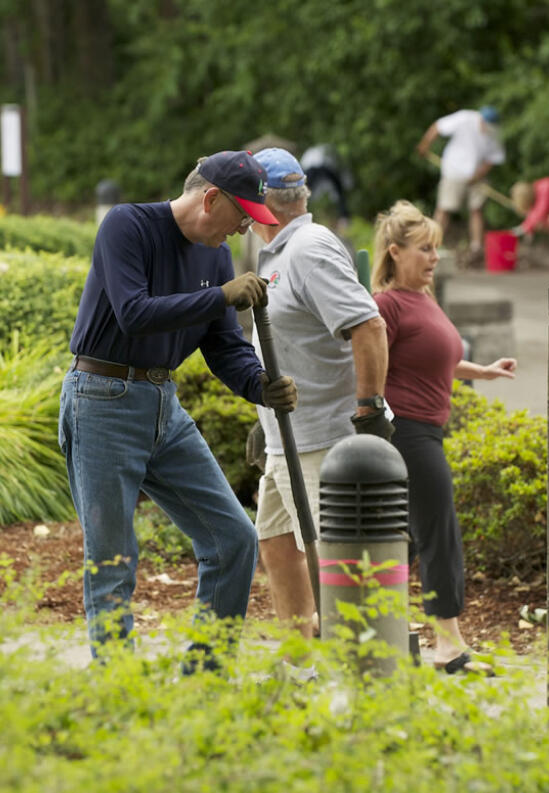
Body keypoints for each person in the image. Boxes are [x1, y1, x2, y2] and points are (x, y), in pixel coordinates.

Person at [60, 150, 298, 658]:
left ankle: (205, 679)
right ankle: (117, 687)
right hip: (101, 399)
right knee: (112, 559)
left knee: (234, 538)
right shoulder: (127, 226)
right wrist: (221, 297)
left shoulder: (214, 254)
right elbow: (134, 312)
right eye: (242, 217)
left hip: (163, 406)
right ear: (211, 198)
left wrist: (259, 384)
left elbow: (223, 344)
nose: (242, 232)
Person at [247, 148, 391, 639]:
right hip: (285, 435)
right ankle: (300, 659)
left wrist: (369, 409)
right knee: (276, 540)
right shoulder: (279, 251)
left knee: (335, 559)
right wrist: (261, 417)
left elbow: (368, 325)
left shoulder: (308, 249)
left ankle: (359, 666)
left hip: (322, 439)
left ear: (260, 203)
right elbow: (292, 344)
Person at [371, 200, 517, 673]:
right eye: (425, 249)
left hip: (427, 430)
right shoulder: (386, 305)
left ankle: (363, 624)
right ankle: (448, 643)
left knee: (410, 539)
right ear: (395, 252)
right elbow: (369, 363)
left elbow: (439, 358)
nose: (435, 258)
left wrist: (485, 372)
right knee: (439, 531)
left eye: (437, 248)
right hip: (407, 432)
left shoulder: (424, 299)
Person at [416, 106, 505, 255]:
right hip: (454, 171)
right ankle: (432, 244)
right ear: (480, 119)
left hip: (477, 177)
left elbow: (492, 159)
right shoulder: (465, 118)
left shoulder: (495, 132)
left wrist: (478, 175)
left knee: (477, 210)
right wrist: (425, 144)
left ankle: (476, 247)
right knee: (445, 208)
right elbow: (438, 127)